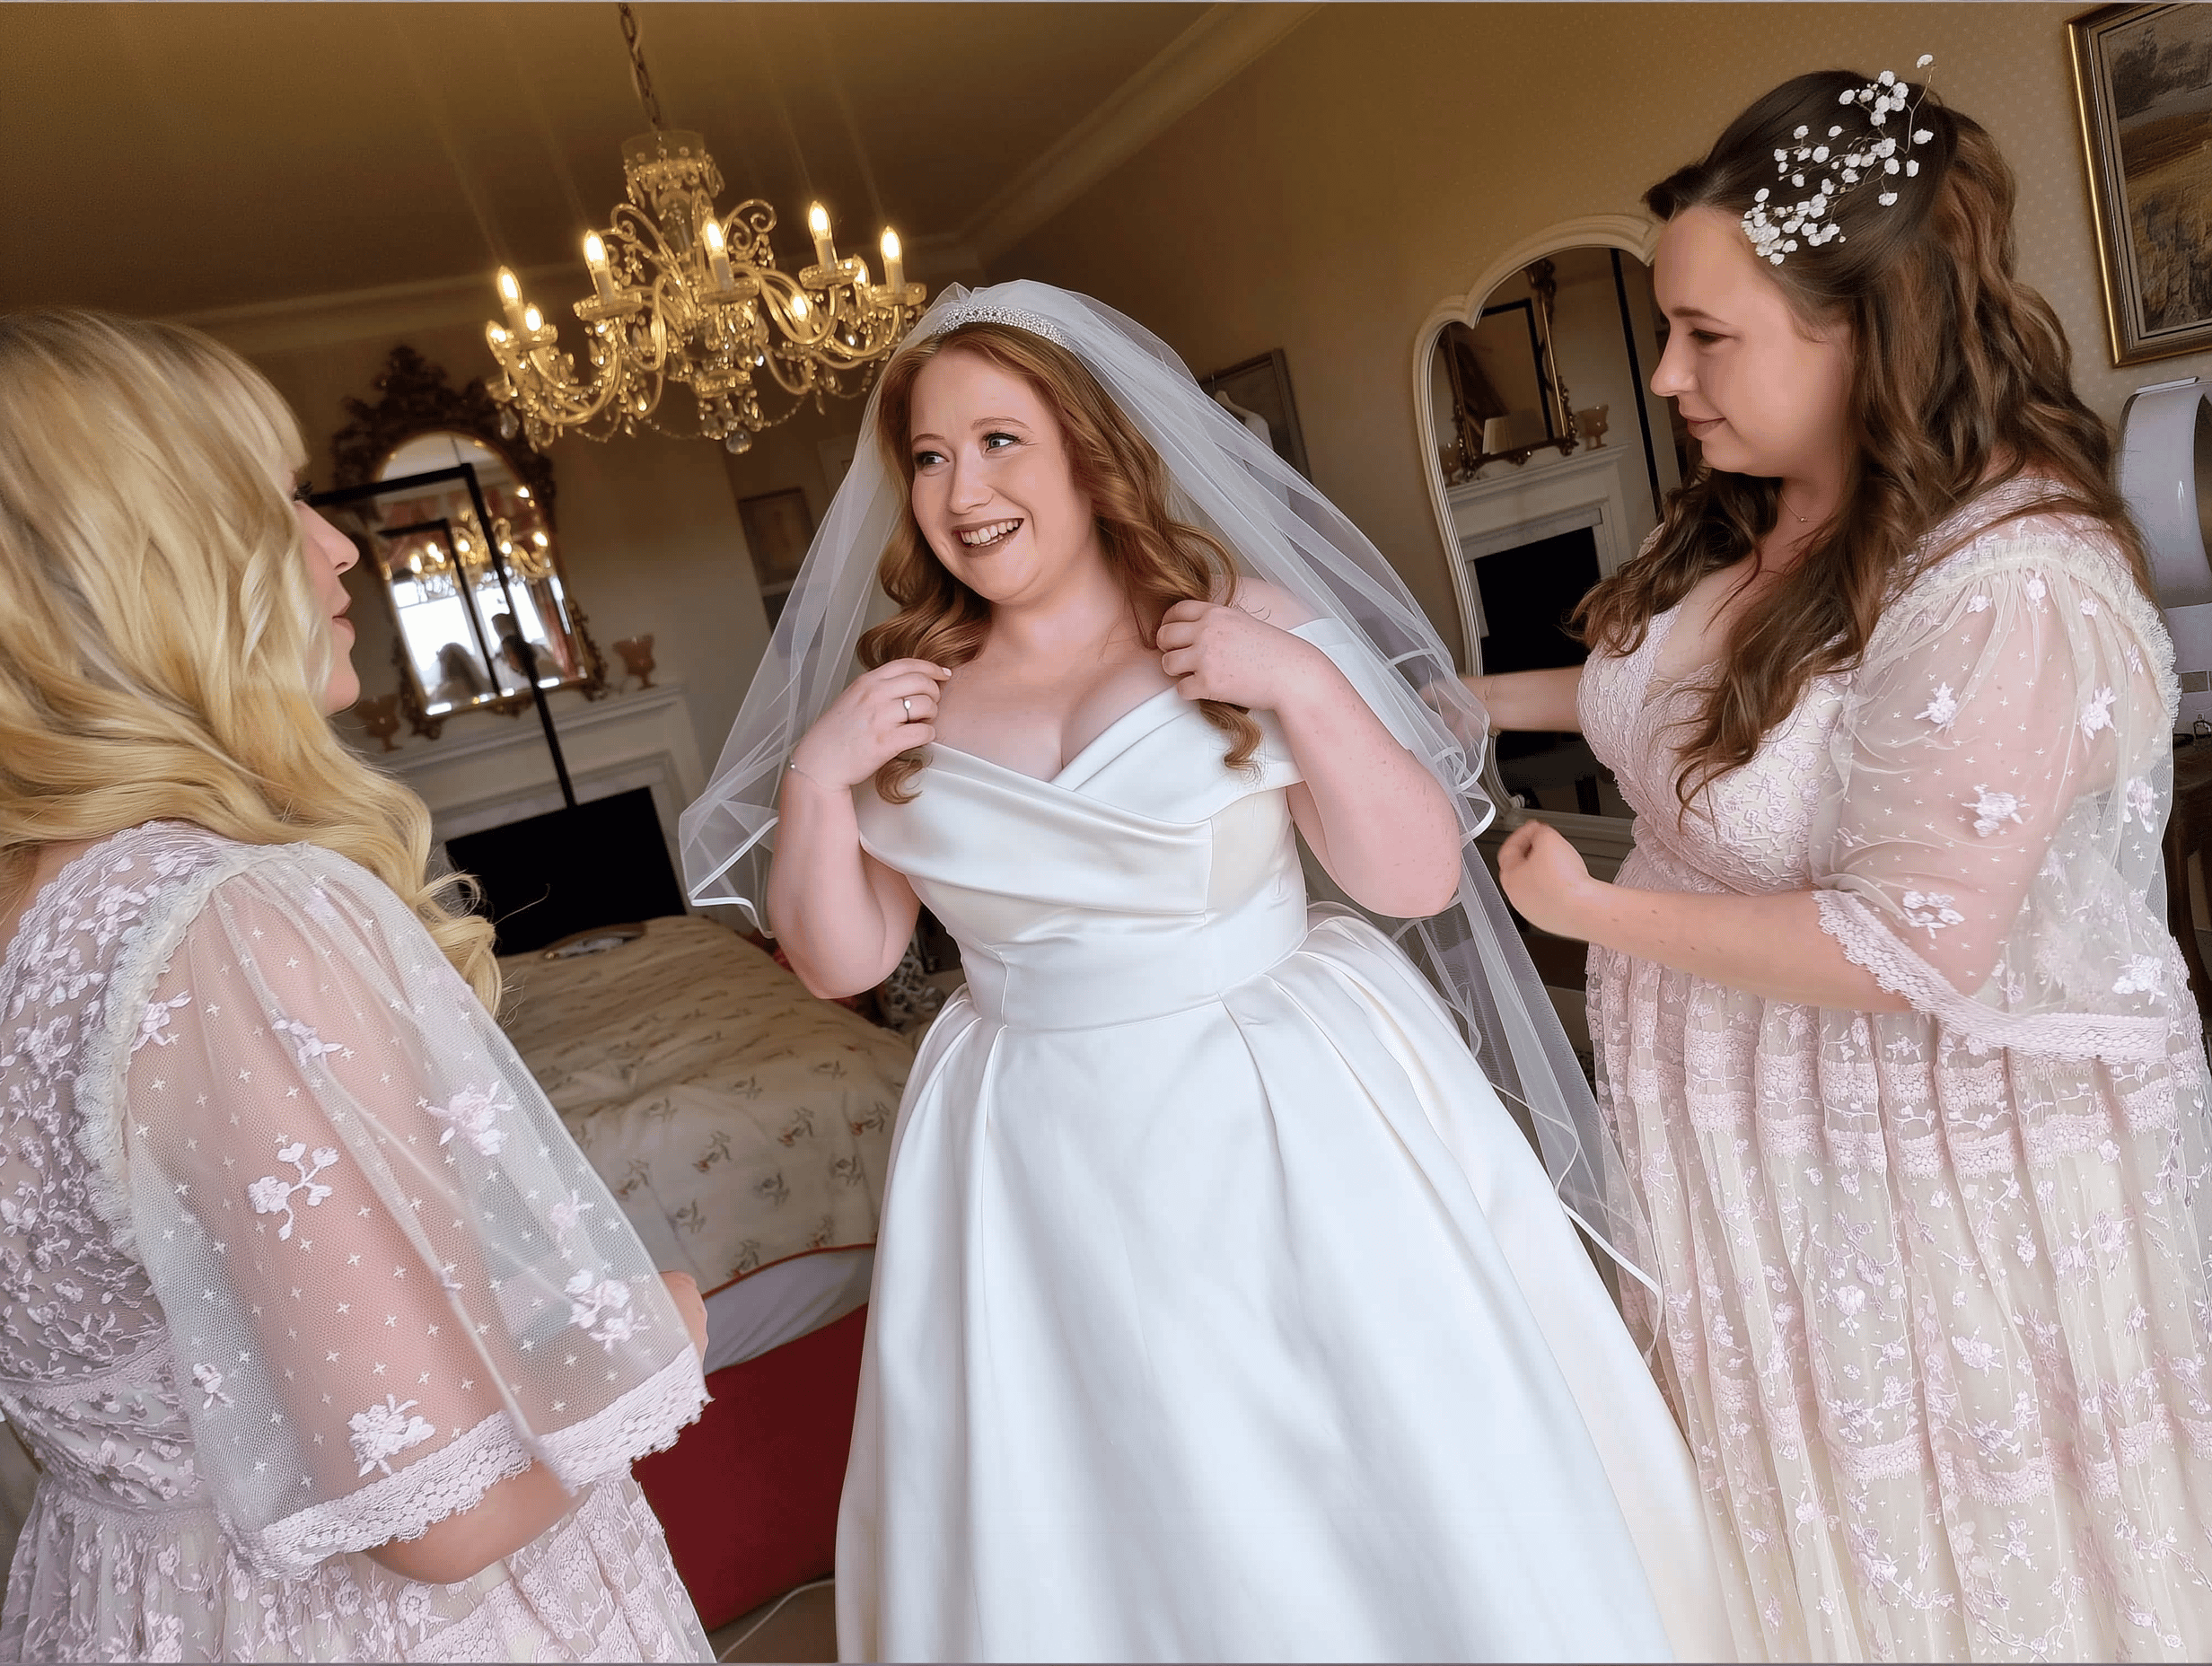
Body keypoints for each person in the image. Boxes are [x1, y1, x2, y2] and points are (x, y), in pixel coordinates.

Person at [680, 281, 1734, 1662]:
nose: (961, 489)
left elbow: (1413, 880)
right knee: (1105, 1486)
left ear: (1086, 447)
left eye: (1000, 441)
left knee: (1359, 1452)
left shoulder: (1239, 619)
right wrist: (820, 780)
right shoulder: (903, 693)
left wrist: (1298, 681)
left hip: (1280, 1099)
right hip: (1033, 1143)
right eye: (929, 459)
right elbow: (847, 959)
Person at [1472, 65, 2212, 1661]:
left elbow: (1914, 946)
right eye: (1665, 328)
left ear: (1868, 324)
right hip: (1753, 1125)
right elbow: (1691, 696)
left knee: (1954, 1543)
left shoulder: (2011, 579)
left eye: (1707, 335)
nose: (1667, 375)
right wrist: (1446, 699)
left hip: (1936, 1157)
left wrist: (1597, 910)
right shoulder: (1788, 508)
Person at [0, 310, 715, 1662]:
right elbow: (438, 1512)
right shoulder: (224, 927)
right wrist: (663, 1317)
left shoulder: (28, 920)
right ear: (144, 569)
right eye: (275, 503)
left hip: (112, 1604)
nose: (338, 546)